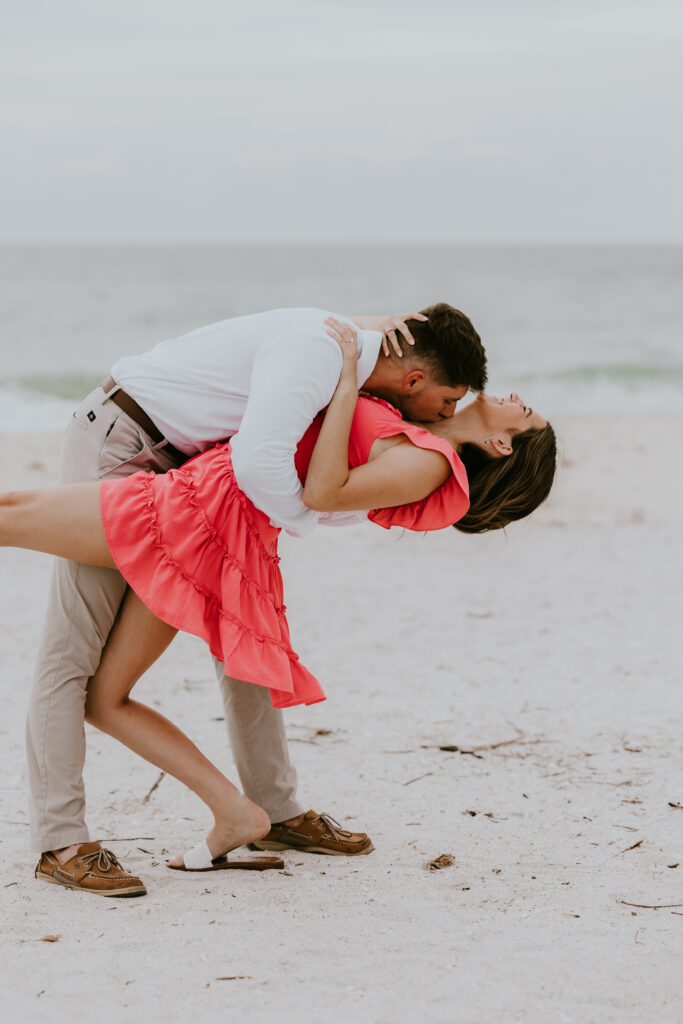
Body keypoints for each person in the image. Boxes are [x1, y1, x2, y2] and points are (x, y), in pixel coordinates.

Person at [2, 317, 556, 888]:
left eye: (526, 412)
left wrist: (343, 382)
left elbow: (321, 488)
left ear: (500, 443)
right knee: (118, 690)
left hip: (201, 510)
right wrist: (366, 340)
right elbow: (370, 357)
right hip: (209, 505)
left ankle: (88, 840)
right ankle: (243, 811)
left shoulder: (428, 458)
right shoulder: (414, 422)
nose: (516, 398)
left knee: (17, 525)